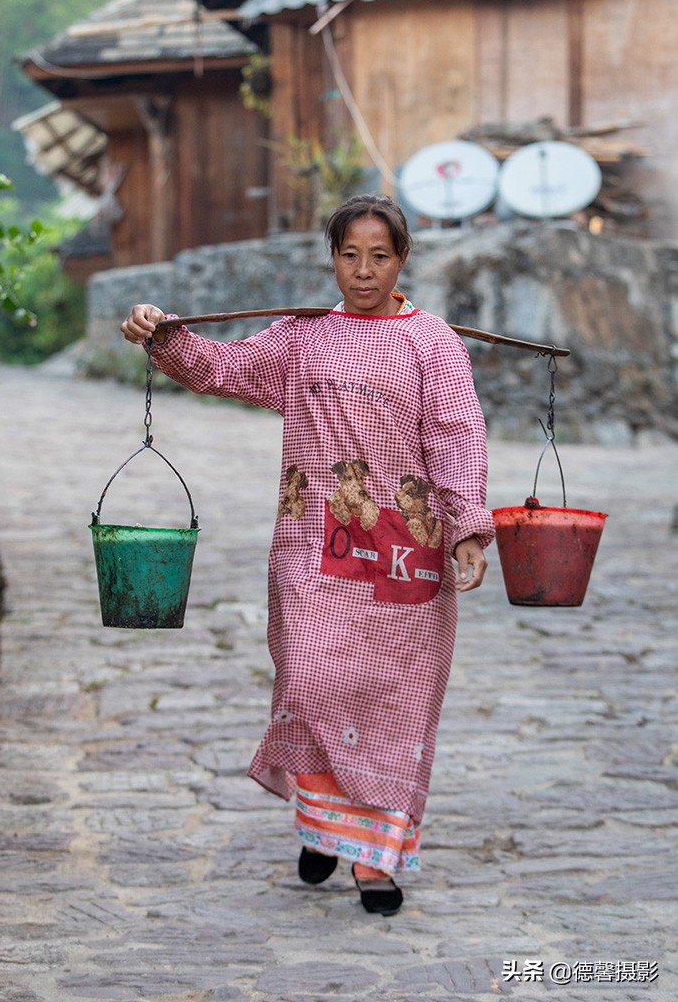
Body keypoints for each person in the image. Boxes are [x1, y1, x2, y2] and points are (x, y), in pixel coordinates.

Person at [121, 194, 493, 916]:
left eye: (378, 256)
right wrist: (160, 334)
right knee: (314, 685)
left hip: (404, 550)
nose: (363, 270)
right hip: (311, 544)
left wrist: (467, 529)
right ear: (330, 259)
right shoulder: (302, 337)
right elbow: (219, 370)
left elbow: (456, 437)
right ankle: (326, 828)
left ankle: (369, 861)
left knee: (392, 702)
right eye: (349, 255)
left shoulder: (433, 342)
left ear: (402, 259)